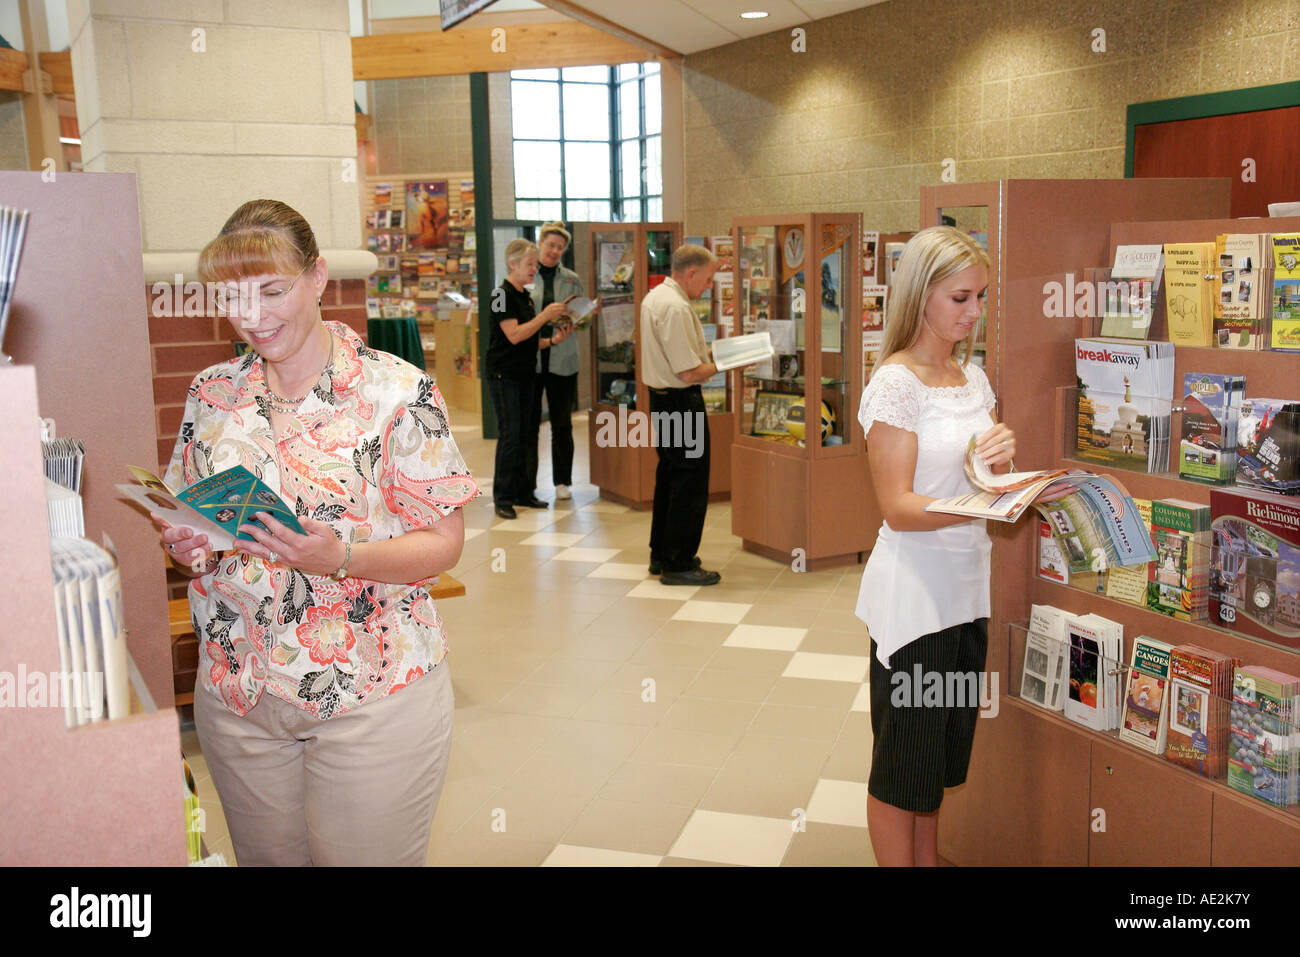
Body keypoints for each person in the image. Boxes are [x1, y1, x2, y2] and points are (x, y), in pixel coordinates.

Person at [150, 199, 478, 866]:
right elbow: (190, 511)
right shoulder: (212, 393)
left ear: (319, 277)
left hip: (370, 690)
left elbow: (443, 544)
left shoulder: (398, 393)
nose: (252, 316)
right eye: (233, 296)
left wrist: (340, 556)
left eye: (271, 291)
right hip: (240, 692)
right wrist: (186, 541)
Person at [854, 225, 1016, 867]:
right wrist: (985, 499)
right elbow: (896, 507)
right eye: (960, 297)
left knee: (935, 765)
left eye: (980, 296)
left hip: (965, 591)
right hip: (915, 600)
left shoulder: (970, 377)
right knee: (901, 768)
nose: (974, 312)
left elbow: (970, 475)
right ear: (920, 295)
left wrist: (998, 467)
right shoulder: (897, 384)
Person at [640, 243, 721, 586]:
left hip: (662, 399)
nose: (709, 285)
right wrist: (726, 364)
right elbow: (688, 372)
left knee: (671, 476)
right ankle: (679, 562)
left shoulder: (655, 297)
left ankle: (662, 552)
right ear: (690, 273)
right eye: (708, 278)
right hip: (680, 401)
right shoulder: (674, 306)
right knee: (690, 481)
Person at [485, 238, 572, 520]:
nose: (534, 269)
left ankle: (524, 491)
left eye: (535, 264)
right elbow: (514, 334)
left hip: (525, 374)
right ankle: (503, 497)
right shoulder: (501, 295)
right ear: (513, 264)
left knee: (525, 434)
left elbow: (529, 340)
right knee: (510, 435)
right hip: (504, 375)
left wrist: (553, 340)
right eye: (530, 264)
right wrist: (545, 316)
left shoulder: (524, 295)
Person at [523, 222, 592, 502]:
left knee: (562, 423)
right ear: (540, 244)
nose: (555, 251)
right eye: (550, 245)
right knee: (529, 423)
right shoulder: (526, 275)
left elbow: (583, 316)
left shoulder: (572, 279)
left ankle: (562, 480)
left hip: (563, 359)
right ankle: (527, 482)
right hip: (532, 358)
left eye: (560, 247)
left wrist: (579, 317)